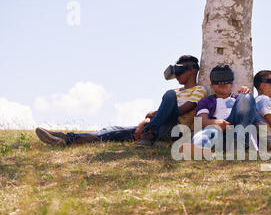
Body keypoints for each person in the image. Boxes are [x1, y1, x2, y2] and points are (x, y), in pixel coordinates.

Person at [35, 55, 207, 147]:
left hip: (174, 130)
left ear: (191, 71)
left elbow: (184, 109)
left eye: (179, 71)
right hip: (156, 126)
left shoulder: (199, 90)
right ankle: (65, 139)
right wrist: (147, 121)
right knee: (110, 131)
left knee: (168, 95)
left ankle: (150, 133)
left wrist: (152, 121)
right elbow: (160, 113)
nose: (176, 76)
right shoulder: (177, 91)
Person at [192, 65, 257, 151]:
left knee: (247, 97)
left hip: (238, 129)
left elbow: (248, 116)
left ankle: (237, 143)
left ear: (232, 83)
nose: (222, 83)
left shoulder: (238, 99)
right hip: (217, 130)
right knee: (208, 131)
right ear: (211, 85)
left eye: (226, 79)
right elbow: (201, 121)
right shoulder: (206, 101)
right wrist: (216, 122)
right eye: (218, 80)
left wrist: (245, 95)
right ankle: (198, 148)